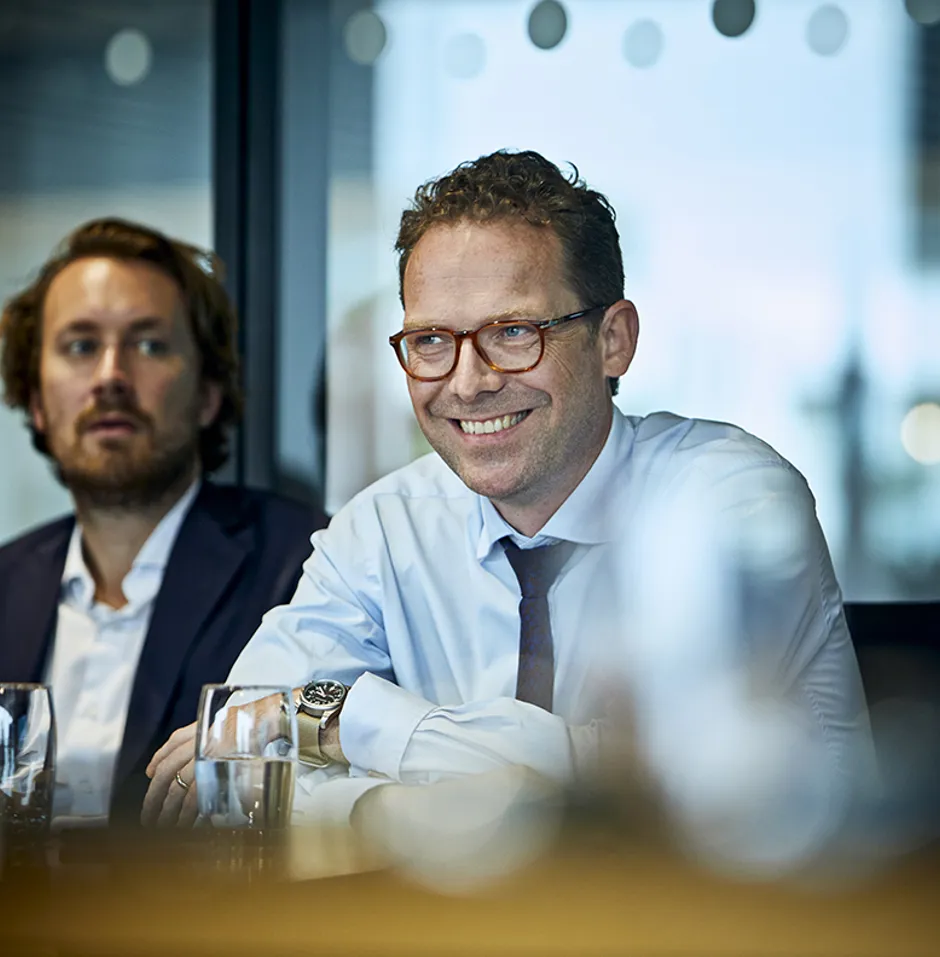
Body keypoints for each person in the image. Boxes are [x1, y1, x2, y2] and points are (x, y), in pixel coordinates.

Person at [144, 151, 872, 857]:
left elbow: (637, 788)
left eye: (513, 332)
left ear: (614, 341)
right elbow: (233, 765)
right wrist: (398, 808)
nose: (468, 383)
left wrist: (337, 718)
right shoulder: (382, 527)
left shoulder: (727, 499)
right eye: (432, 340)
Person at [0, 218, 326, 826]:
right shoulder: (5, 581)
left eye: (149, 345)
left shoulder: (308, 567)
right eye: (80, 346)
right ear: (37, 401)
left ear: (208, 393)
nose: (110, 377)